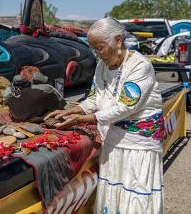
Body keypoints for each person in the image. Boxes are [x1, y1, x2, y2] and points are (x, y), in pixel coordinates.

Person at [45, 17, 164, 213]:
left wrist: (83, 119)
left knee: (135, 193)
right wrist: (71, 111)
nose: (97, 54)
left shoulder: (139, 66)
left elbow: (126, 107)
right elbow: (95, 98)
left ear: (118, 41)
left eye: (100, 47)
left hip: (138, 144)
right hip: (113, 139)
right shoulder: (102, 66)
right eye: (93, 49)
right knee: (115, 189)